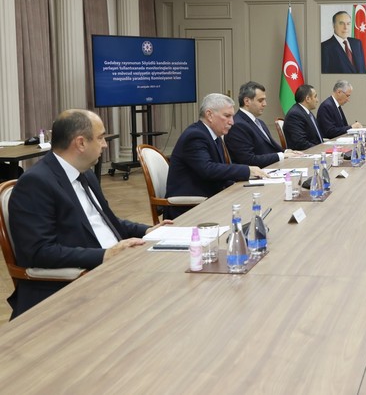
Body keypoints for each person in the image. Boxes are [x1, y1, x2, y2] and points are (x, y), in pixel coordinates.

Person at [7, 109, 171, 319]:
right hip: (72, 287)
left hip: (116, 269)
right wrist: (104, 255)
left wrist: (147, 230)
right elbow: (39, 252)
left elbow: (107, 221)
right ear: (81, 143)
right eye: (100, 138)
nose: (105, 144)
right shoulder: (36, 183)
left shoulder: (85, 174)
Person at [165, 93, 265, 218]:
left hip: (211, 200)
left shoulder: (213, 135)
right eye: (227, 116)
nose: (232, 122)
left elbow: (220, 171)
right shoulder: (195, 136)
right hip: (190, 210)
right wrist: (247, 170)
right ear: (209, 115)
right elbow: (208, 169)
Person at [227, 81, 302, 168]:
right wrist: (282, 156)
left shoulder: (260, 122)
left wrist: (287, 152)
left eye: (264, 100)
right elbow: (248, 160)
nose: (265, 104)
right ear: (247, 101)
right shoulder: (238, 125)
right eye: (260, 100)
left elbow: (272, 147)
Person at [283, 84, 324, 150]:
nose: (317, 100)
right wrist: (320, 149)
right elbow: (300, 143)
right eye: (315, 97)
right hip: (306, 153)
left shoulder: (307, 112)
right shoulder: (295, 115)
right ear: (307, 99)